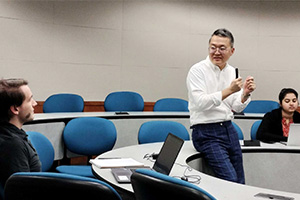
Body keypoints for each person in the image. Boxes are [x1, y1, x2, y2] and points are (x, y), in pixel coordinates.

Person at [186, 28, 256, 184]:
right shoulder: (197, 70)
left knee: (240, 180)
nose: (216, 52)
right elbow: (201, 103)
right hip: (206, 132)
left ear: (232, 51)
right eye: (213, 47)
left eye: (222, 48)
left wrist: (244, 93)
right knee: (229, 179)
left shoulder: (232, 71)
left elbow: (236, 107)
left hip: (229, 129)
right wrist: (229, 90)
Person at [0, 78, 41, 187]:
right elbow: (22, 191)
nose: (35, 103)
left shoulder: (9, 134)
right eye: (30, 100)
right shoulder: (13, 145)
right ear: (15, 109)